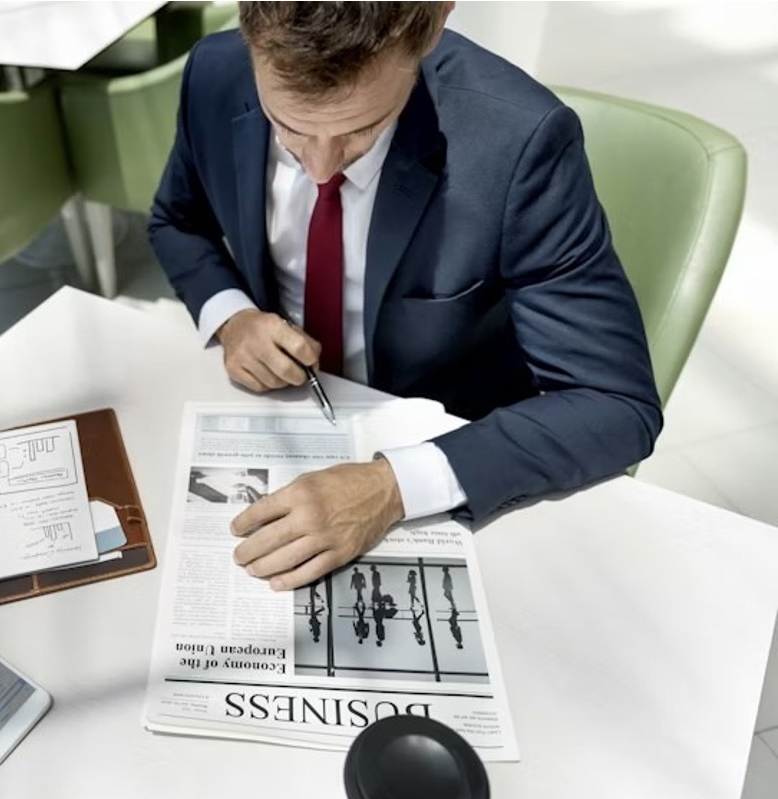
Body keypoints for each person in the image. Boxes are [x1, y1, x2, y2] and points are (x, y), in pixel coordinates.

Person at [149, 2, 661, 592]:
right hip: (280, 421)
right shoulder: (214, 72)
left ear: (436, 22)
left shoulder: (519, 142)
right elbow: (176, 221)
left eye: (361, 130)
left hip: (454, 454)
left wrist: (392, 487)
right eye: (287, 127)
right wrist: (232, 315)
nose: (318, 169)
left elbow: (616, 404)